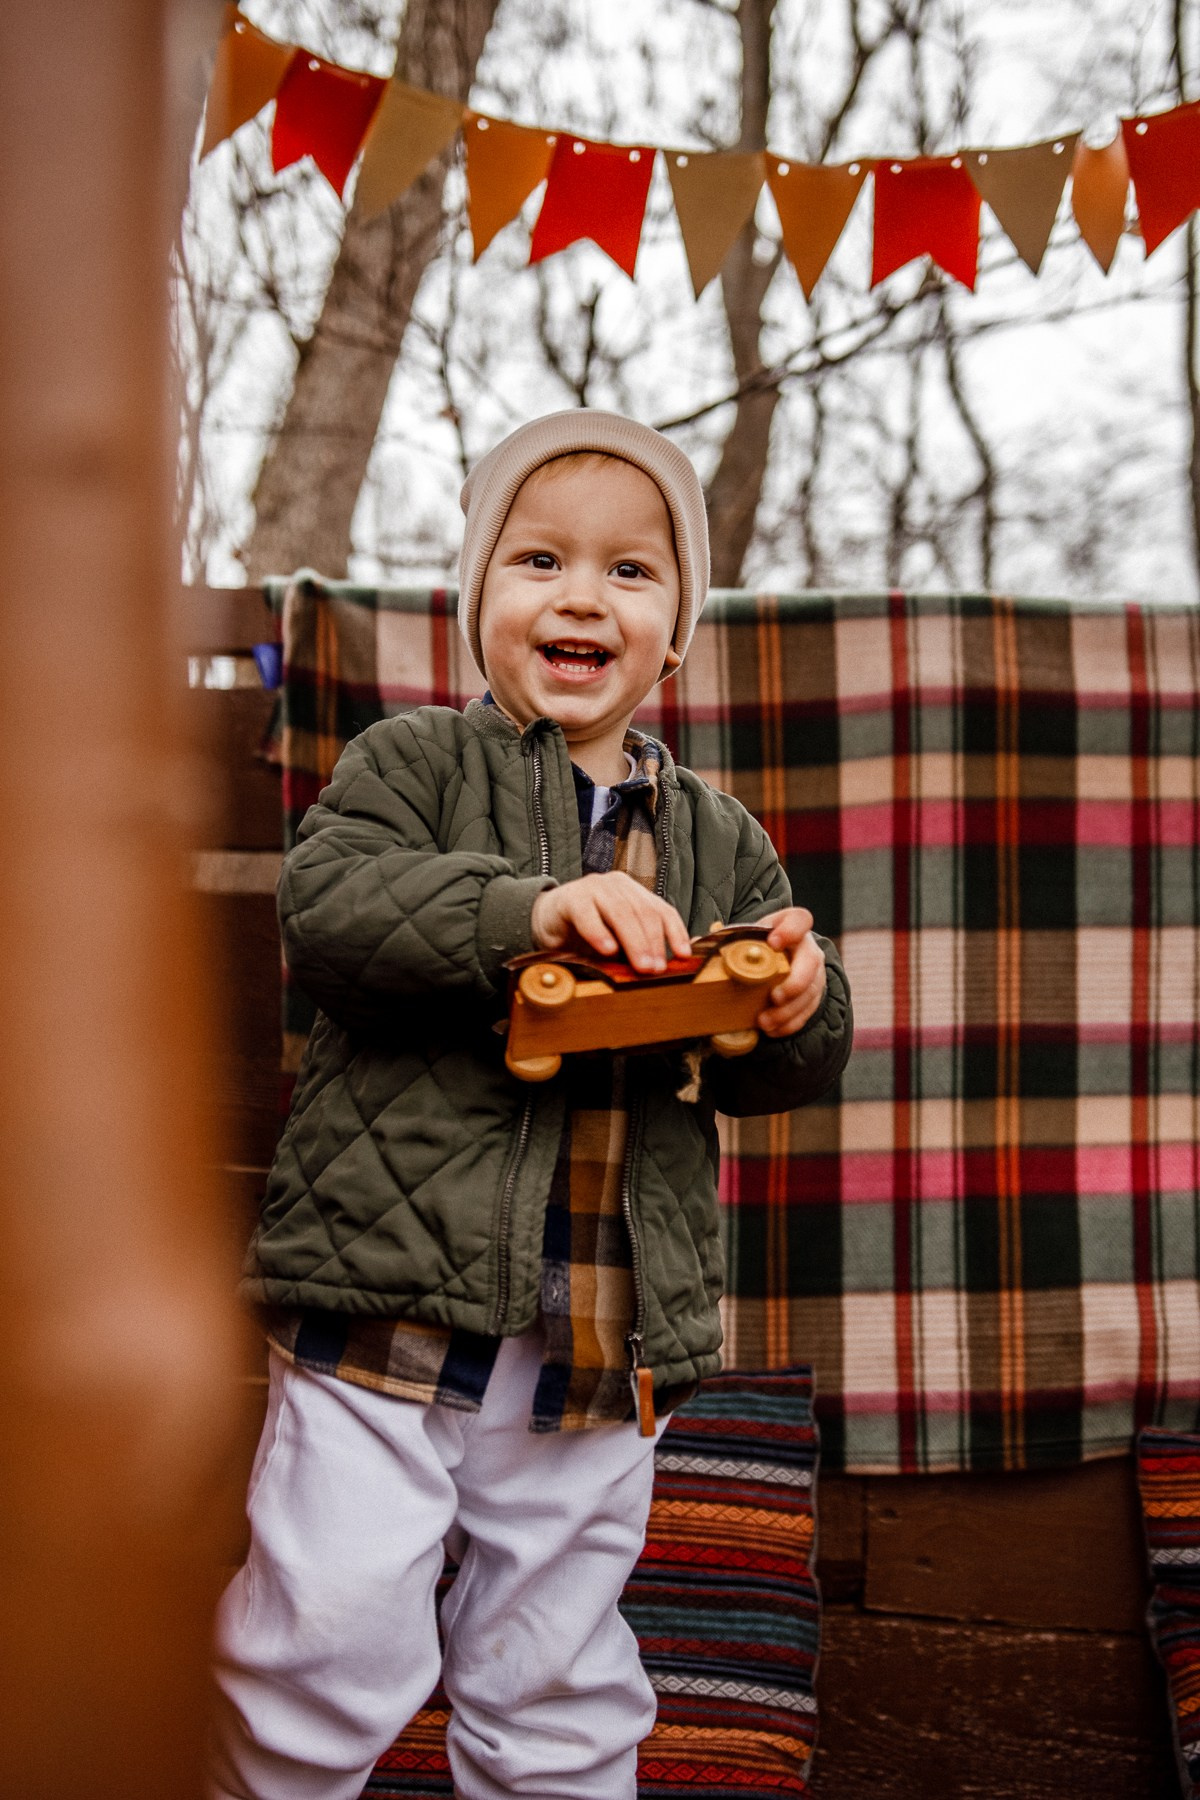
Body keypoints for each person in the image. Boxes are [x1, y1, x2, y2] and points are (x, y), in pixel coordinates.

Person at [210, 410, 853, 1800]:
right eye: (538, 559)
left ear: (676, 632)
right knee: (326, 1629)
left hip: (600, 1329)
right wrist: (524, 910)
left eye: (631, 572)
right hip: (384, 1308)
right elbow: (331, 913)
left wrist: (800, 1004)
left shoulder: (719, 836)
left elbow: (773, 1062)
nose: (579, 595)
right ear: (476, 603)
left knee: (556, 1658)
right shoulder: (413, 768)